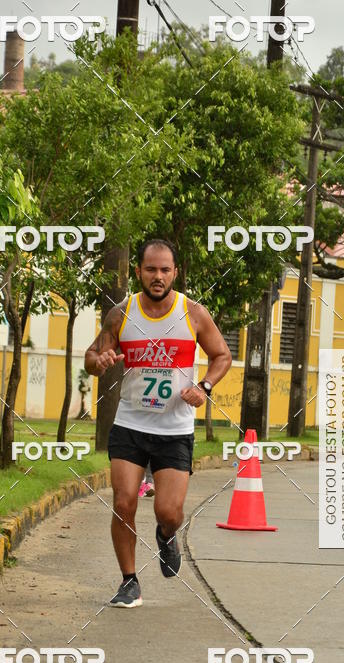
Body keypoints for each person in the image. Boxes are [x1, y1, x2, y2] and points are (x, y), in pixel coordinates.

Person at [84, 238, 232, 608]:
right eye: (151, 269)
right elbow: (92, 355)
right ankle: (129, 581)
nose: (158, 276)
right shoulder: (121, 313)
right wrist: (98, 362)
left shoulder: (193, 313)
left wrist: (204, 386)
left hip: (174, 429)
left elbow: (222, 355)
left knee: (169, 512)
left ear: (175, 272)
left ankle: (166, 535)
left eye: (165, 269)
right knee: (124, 502)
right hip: (131, 423)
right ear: (139, 271)